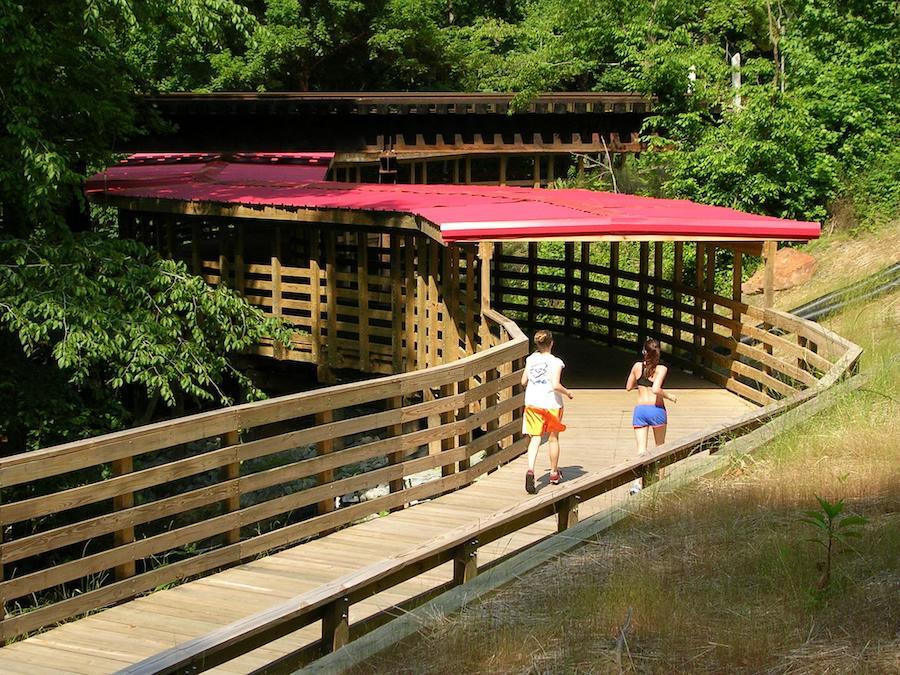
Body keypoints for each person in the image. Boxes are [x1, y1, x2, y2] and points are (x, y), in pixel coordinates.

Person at [520, 329, 574, 494]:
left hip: (533, 403)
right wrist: (568, 393)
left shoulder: (530, 359)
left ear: (537, 344)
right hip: (552, 404)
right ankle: (553, 473)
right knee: (553, 438)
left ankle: (530, 470)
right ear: (551, 343)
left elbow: (523, 381)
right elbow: (555, 385)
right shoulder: (556, 362)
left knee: (535, 438)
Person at [625, 338, 678, 457]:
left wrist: (640, 383)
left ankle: (641, 475)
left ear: (644, 352)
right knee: (660, 448)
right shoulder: (661, 369)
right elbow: (655, 389)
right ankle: (661, 476)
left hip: (640, 410)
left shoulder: (637, 366)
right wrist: (669, 396)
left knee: (641, 451)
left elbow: (628, 387)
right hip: (656, 409)